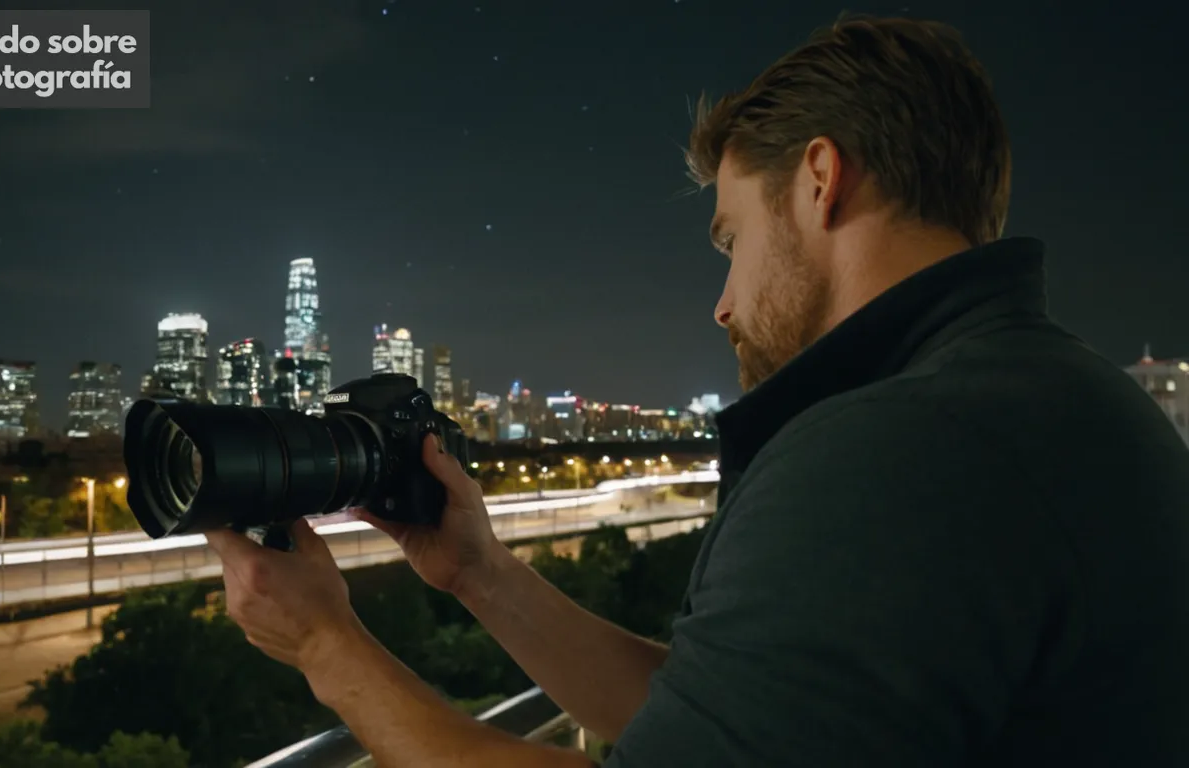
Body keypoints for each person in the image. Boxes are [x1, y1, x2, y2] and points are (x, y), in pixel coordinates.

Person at [205, 14, 1189, 767]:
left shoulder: (901, 447)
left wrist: (326, 648)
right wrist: (478, 574)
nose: (721, 305)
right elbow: (730, 724)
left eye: (733, 241)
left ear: (819, 182)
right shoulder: (1061, 398)